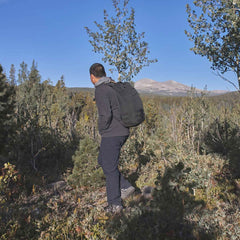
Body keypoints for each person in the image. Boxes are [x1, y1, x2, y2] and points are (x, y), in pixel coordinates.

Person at [90, 63, 135, 214]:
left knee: (109, 168)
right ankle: (125, 187)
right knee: (103, 160)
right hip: (122, 131)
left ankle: (115, 204)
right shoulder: (113, 86)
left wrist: (102, 129)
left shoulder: (101, 90)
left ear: (92, 77)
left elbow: (106, 115)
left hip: (112, 133)